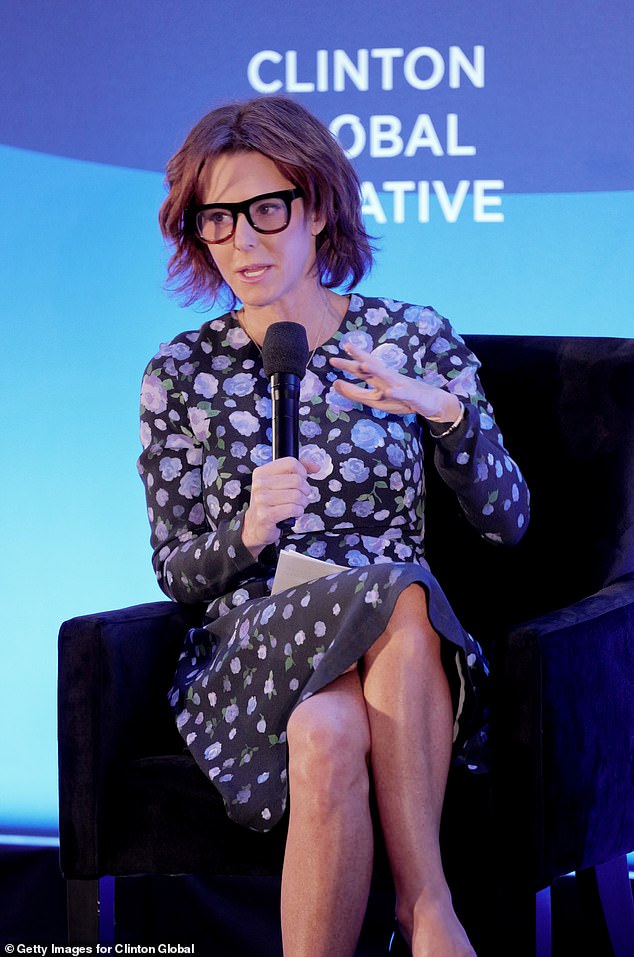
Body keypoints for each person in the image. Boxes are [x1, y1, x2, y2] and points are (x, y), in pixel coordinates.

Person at [137, 94, 529, 957]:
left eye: (267, 209)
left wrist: (440, 411)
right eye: (217, 219)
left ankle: (407, 909)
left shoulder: (410, 336)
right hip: (253, 646)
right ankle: (428, 908)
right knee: (400, 589)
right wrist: (246, 530)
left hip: (401, 662)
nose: (243, 240)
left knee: (330, 725)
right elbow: (173, 569)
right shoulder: (181, 371)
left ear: (316, 209)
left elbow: (507, 521)